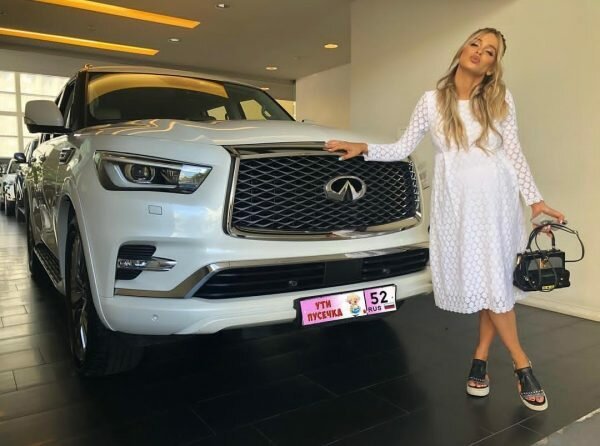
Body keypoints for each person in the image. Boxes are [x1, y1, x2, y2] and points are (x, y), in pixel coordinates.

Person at [324, 28, 564, 412]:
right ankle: (484, 359)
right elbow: (402, 147)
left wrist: (535, 201)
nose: (479, 52)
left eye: (490, 51)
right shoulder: (431, 102)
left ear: (492, 67)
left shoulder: (500, 99)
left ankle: (518, 364)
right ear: (463, 49)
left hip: (499, 202)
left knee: (496, 283)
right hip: (459, 206)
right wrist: (364, 147)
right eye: (475, 44)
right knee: (490, 284)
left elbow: (514, 152)